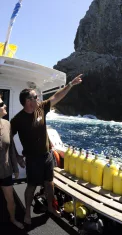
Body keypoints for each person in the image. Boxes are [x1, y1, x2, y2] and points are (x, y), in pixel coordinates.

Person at [11, 74, 82, 225]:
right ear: (27, 101)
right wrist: (17, 156)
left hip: (47, 155)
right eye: (35, 97)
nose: (38, 98)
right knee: (31, 186)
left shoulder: (42, 108)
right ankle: (27, 213)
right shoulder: (17, 119)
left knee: (49, 183)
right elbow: (7, 138)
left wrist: (70, 84)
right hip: (33, 159)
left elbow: (57, 97)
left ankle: (50, 207)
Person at [0, 93, 24, 229]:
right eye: (1, 104)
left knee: (11, 201)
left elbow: (12, 149)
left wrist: (15, 168)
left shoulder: (7, 124)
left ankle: (13, 219)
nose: (5, 105)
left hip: (5, 171)